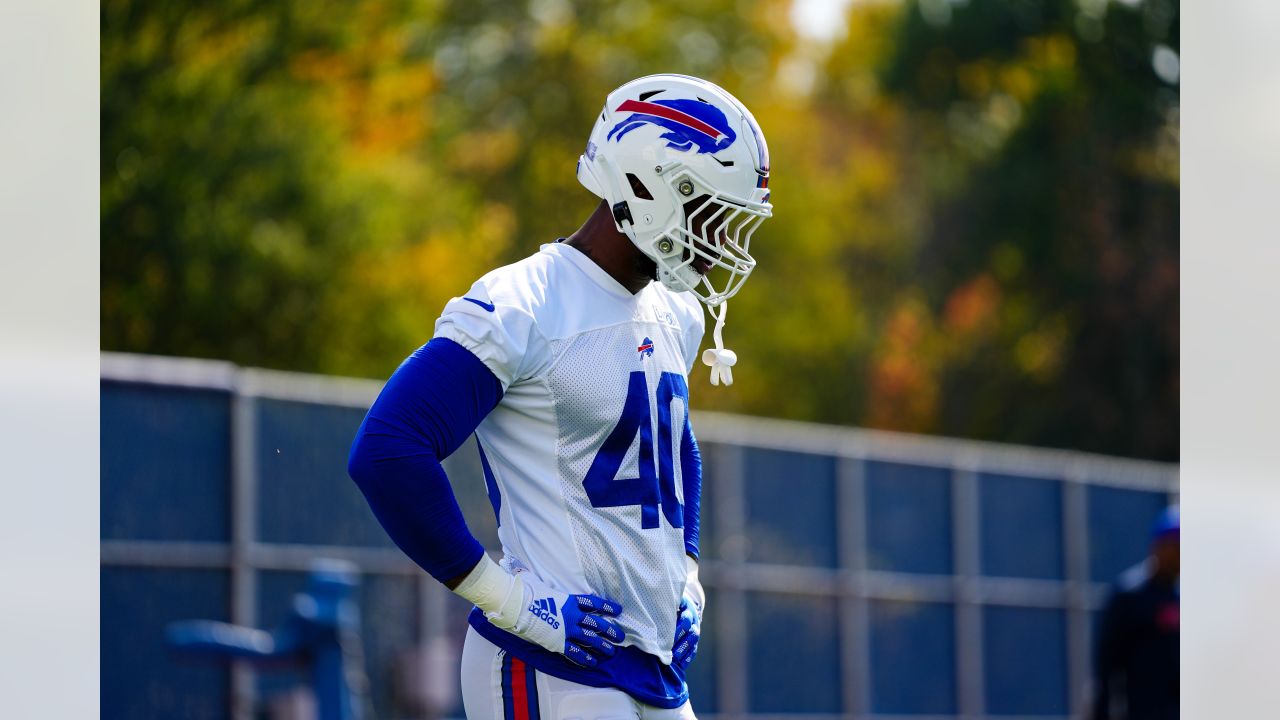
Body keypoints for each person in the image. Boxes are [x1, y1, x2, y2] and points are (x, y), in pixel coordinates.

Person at [347, 74, 772, 720]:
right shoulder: (523, 304)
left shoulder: (673, 313)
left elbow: (675, 449)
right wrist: (511, 599)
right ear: (649, 186)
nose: (719, 242)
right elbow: (387, 450)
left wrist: (686, 572)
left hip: (652, 670)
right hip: (549, 663)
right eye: (708, 212)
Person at [1091, 505, 1179, 720]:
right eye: (1175, 545)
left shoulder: (1183, 597)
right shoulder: (1130, 595)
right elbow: (1106, 665)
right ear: (1157, 546)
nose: (1180, 553)